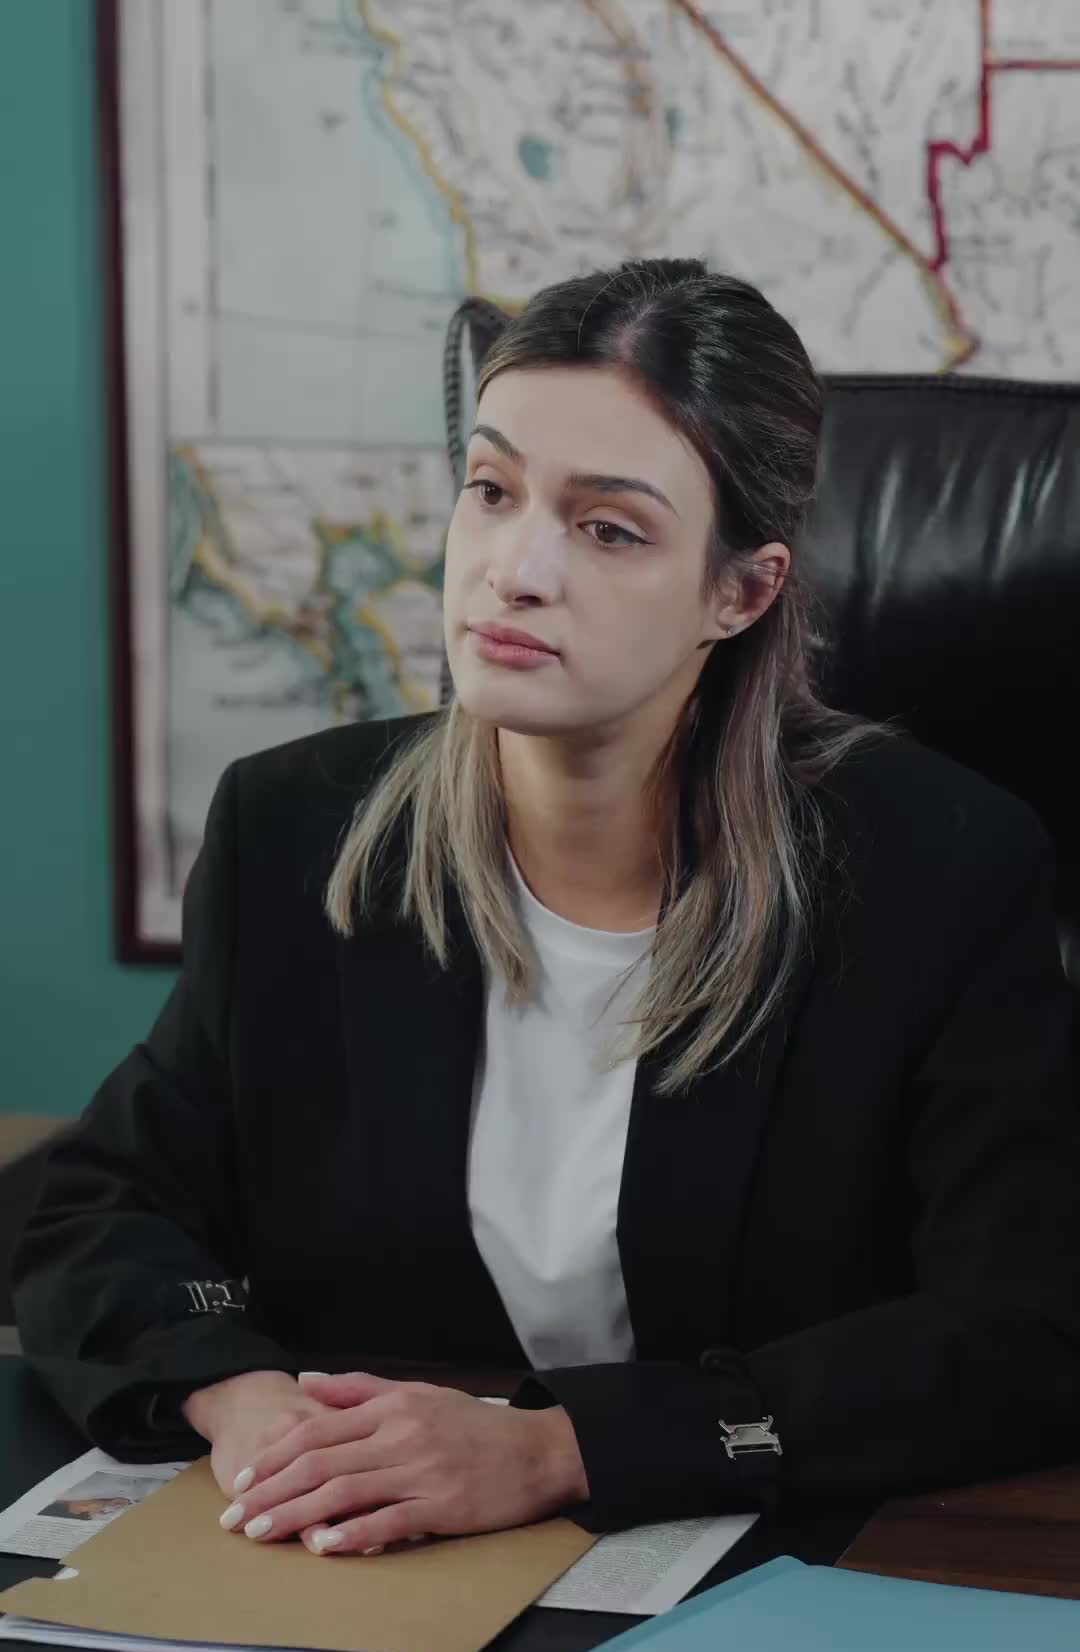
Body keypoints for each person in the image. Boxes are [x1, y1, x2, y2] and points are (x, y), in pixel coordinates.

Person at [15, 258, 1080, 1559]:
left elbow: (1025, 1329)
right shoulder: (295, 832)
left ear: (740, 592)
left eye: (608, 528)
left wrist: (559, 1448)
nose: (514, 570)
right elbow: (96, 1213)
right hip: (384, 1571)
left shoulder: (941, 869)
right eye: (492, 489)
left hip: (793, 1569)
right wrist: (242, 1400)